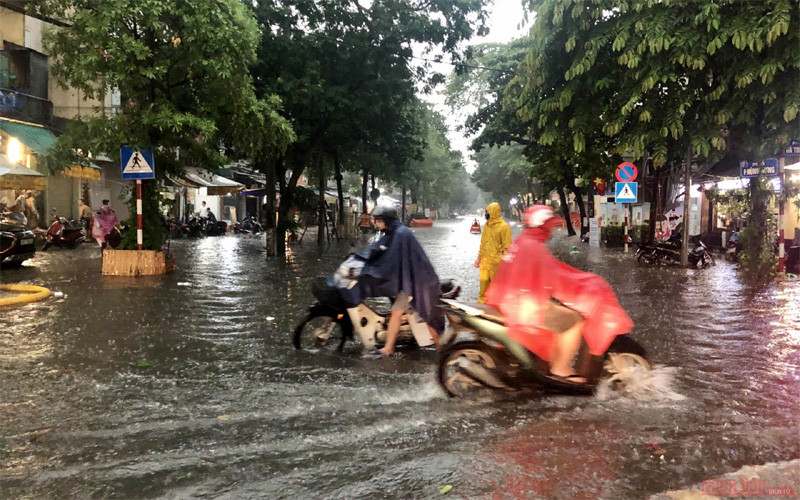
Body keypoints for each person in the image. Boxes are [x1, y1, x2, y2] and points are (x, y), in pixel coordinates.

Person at [484, 205, 633, 383]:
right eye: (550, 225)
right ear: (543, 225)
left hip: (508, 300)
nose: (553, 229)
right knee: (574, 321)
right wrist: (588, 285)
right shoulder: (535, 248)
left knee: (559, 317)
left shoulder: (521, 241)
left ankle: (548, 363)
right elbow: (558, 278)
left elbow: (549, 274)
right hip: (523, 304)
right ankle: (560, 369)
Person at [339, 206, 444, 358]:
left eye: (377, 221)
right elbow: (377, 249)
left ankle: (441, 349)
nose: (375, 224)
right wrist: (358, 259)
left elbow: (388, 259)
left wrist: (367, 269)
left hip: (417, 281)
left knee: (424, 315)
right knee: (402, 313)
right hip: (410, 278)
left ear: (384, 220)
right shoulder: (395, 232)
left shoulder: (399, 234)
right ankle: (392, 347)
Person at [474, 202, 511, 304]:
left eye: (488, 212)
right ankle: (482, 307)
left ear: (493, 212)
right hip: (485, 262)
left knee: (497, 287)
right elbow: (483, 243)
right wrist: (479, 258)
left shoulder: (504, 227)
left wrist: (506, 264)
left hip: (497, 263)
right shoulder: (487, 226)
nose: (486, 214)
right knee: (483, 288)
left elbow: (507, 247)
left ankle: (497, 307)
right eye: (486, 212)